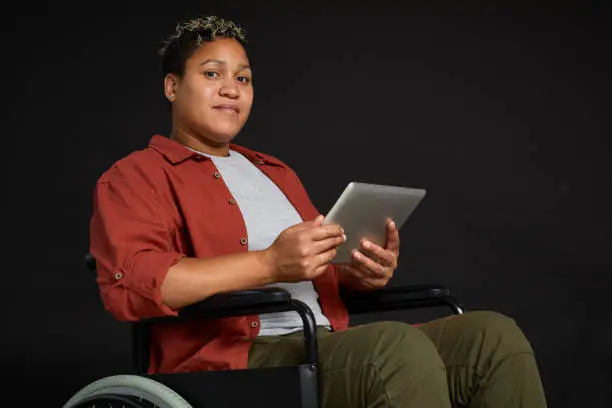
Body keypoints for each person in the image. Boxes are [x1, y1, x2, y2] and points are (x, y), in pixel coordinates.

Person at [90, 15, 547, 408]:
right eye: (212, 74)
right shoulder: (136, 176)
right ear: (172, 86)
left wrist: (356, 275)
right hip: (233, 355)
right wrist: (269, 263)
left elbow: (309, 275)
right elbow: (134, 286)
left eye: (243, 78)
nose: (231, 89)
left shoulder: (274, 172)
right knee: (394, 347)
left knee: (492, 337)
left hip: (323, 340)